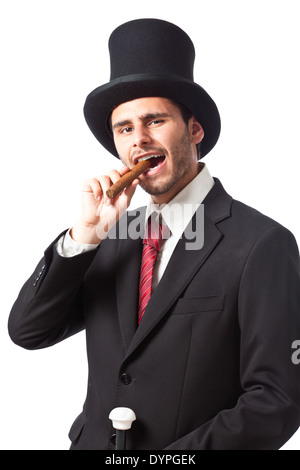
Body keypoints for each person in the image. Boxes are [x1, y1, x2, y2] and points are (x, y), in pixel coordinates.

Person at [8, 18, 300, 450]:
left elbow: (278, 400)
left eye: (155, 120)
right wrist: (84, 236)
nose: (138, 140)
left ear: (194, 130)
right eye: (124, 129)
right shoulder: (108, 236)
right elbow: (28, 331)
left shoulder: (262, 243)